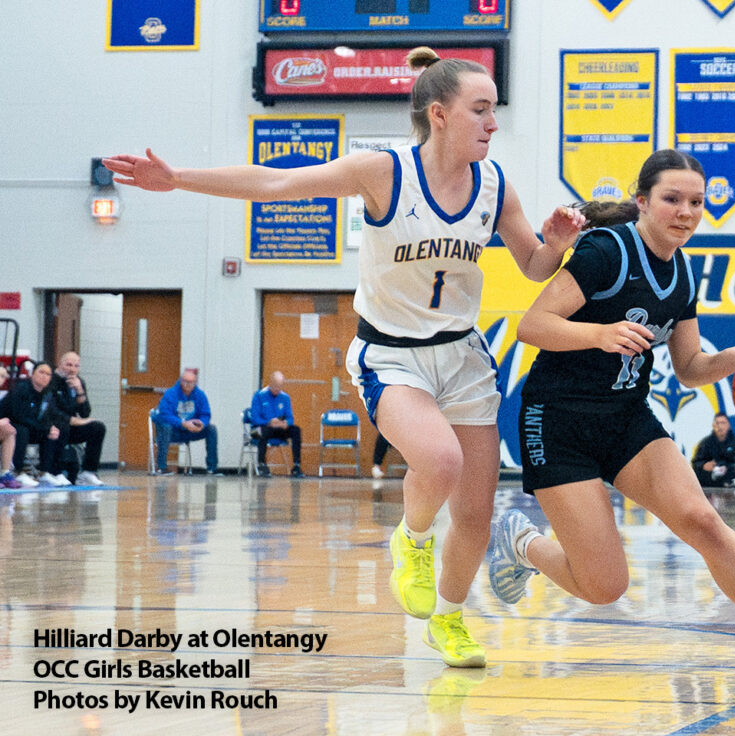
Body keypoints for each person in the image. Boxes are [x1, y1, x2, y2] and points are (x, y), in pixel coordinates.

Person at [103, 46, 584, 668]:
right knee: (437, 462)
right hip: (393, 355)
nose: (494, 122)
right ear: (439, 114)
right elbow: (275, 183)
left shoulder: (495, 186)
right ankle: (411, 541)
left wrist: (557, 243)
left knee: (475, 511)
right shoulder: (383, 171)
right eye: (481, 109)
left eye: (494, 110)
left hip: (463, 357)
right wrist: (178, 179)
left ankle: (451, 619)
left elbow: (532, 264)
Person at [488, 149, 735, 682]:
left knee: (704, 521)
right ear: (642, 202)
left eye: (696, 201)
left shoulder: (685, 275)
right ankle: (523, 543)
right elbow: (533, 325)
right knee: (604, 587)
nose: (686, 211)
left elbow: (689, 367)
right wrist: (600, 334)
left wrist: (733, 361)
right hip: (558, 421)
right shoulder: (606, 250)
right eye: (672, 199)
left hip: (626, 417)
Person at [0, 363, 70, 488]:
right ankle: (18, 471)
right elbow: (19, 416)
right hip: (13, 423)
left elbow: (53, 414)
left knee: (58, 430)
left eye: (48, 374)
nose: (44, 376)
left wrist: (52, 427)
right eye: (41, 372)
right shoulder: (21, 388)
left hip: (31, 426)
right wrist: (46, 427)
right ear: (33, 374)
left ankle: (46, 471)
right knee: (21, 430)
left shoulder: (49, 393)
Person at [51, 352, 107, 486]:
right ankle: (55, 472)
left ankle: (88, 471)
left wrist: (79, 390)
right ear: (60, 364)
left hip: (72, 426)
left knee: (98, 427)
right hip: (54, 425)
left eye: (76, 366)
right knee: (62, 426)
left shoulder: (78, 382)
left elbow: (85, 413)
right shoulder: (51, 380)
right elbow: (52, 411)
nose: (72, 369)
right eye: (68, 365)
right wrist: (73, 420)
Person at [152, 368, 220, 476]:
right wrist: (182, 423)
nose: (187, 385)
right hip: (173, 431)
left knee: (211, 429)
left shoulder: (200, 395)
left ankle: (212, 468)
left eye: (191, 382)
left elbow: (206, 414)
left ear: (195, 383)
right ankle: (162, 467)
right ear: (180, 381)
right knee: (165, 427)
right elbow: (164, 414)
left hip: (190, 431)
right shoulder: (170, 394)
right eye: (185, 381)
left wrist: (201, 423)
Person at [250, 371, 304, 478]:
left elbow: (290, 417)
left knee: (296, 430)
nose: (277, 390)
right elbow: (254, 418)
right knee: (263, 431)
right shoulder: (259, 396)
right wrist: (268, 422)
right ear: (270, 383)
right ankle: (262, 464)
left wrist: (286, 423)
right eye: (275, 387)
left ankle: (296, 466)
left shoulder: (285, 398)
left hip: (278, 429)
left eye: (279, 387)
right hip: (259, 429)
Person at [692, 412, 735, 489]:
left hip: (730, 485)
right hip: (709, 485)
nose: (720, 426)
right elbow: (695, 463)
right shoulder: (706, 443)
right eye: (717, 423)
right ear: (713, 425)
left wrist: (727, 468)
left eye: (723, 423)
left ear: (728, 425)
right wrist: (704, 466)